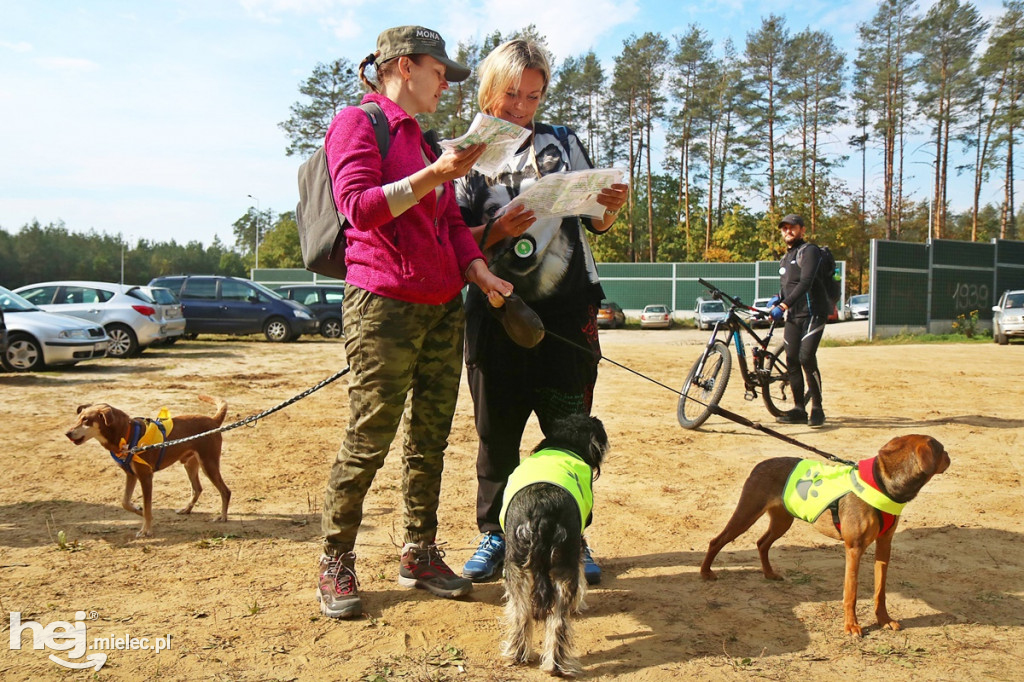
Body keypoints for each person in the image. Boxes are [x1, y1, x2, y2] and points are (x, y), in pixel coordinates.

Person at [316, 25, 513, 620]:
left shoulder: (430, 144)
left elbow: (452, 226)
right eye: (439, 73)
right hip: (384, 304)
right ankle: (336, 557)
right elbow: (359, 207)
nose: (446, 86)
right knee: (371, 434)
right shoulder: (359, 123)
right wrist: (437, 174)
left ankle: (419, 551)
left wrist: (480, 273)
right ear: (403, 66)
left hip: (442, 305)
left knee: (429, 440)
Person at [454, 39, 628, 585]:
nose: (523, 109)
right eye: (512, 95)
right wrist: (497, 231)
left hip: (567, 309)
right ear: (489, 88)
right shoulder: (459, 153)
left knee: (570, 430)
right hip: (495, 307)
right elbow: (451, 239)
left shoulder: (562, 142)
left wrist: (608, 209)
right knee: (496, 430)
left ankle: (574, 535)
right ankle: (496, 533)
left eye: (534, 96)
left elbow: (594, 220)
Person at [768, 214, 828, 428]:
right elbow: (788, 286)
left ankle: (818, 408)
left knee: (806, 357)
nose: (787, 231)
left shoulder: (809, 250)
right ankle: (799, 409)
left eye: (792, 227)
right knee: (792, 359)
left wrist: (783, 305)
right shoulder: (785, 258)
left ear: (802, 230)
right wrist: (777, 299)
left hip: (814, 313)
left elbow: (805, 282)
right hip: (794, 316)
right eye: (784, 228)